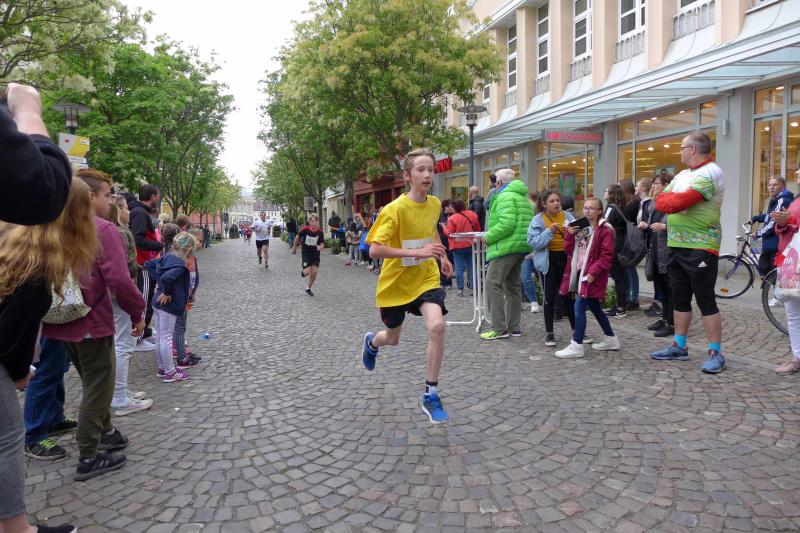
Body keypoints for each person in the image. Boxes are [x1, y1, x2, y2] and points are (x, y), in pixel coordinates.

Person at [1, 181, 94, 533]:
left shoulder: (15, 246)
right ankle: (17, 528)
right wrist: (20, 372)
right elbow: (10, 338)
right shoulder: (37, 271)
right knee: (7, 441)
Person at [44, 169, 145, 481]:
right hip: (92, 321)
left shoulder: (53, 228)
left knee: (93, 381)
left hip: (62, 321)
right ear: (89, 197)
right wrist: (138, 312)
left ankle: (107, 432)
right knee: (98, 386)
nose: (110, 200)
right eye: (106, 195)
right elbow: (119, 280)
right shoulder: (102, 229)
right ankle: (89, 454)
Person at [359, 148, 453, 424]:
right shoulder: (394, 210)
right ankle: (372, 342)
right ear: (407, 176)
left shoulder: (434, 204)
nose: (427, 175)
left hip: (425, 278)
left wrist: (442, 256)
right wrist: (417, 252)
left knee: (437, 326)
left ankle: (430, 394)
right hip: (396, 283)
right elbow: (374, 250)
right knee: (392, 339)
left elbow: (431, 231)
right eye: (420, 169)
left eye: (430, 170)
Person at [650, 131, 726, 374]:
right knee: (680, 298)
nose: (680, 152)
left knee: (705, 299)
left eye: (682, 147)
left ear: (692, 149)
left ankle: (715, 352)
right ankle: (679, 345)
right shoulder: (683, 175)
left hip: (701, 246)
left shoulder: (712, 172)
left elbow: (678, 203)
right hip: (676, 244)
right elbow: (660, 200)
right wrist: (670, 200)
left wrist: (672, 200)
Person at [554, 197, 620, 358]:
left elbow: (606, 256)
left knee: (579, 306)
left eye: (591, 208)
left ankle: (576, 345)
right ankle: (611, 338)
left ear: (599, 211)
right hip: (580, 271)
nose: (587, 210)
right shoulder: (580, 225)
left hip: (592, 275)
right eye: (585, 208)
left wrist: (593, 272)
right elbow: (569, 250)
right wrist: (569, 235)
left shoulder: (605, 229)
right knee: (594, 306)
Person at [107, 195, 153, 416]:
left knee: (119, 344)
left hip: (114, 295)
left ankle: (120, 392)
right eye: (125, 208)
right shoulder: (120, 233)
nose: (129, 212)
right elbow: (123, 270)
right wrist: (134, 303)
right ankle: (119, 398)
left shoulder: (112, 231)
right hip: (120, 296)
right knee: (123, 345)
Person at [479, 168, 534, 340]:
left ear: (499, 182)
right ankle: (513, 327)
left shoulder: (505, 196)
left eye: (494, 182)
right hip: (520, 246)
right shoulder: (522, 197)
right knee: (512, 287)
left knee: (492, 284)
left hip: (506, 246)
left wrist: (488, 237)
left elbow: (507, 224)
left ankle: (499, 328)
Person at [145, 231, 197, 382]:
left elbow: (149, 265)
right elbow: (167, 277)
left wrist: (159, 284)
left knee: (161, 337)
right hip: (168, 305)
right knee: (166, 337)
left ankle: (163, 367)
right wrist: (166, 290)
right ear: (188, 249)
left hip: (158, 303)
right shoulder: (180, 263)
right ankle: (170, 371)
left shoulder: (167, 256)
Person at [528, 190, 576, 346]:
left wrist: (575, 232)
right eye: (552, 201)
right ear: (544, 204)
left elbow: (583, 235)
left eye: (557, 200)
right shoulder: (538, 220)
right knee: (549, 297)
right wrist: (549, 232)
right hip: (548, 261)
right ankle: (549, 333)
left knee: (569, 296)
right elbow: (533, 242)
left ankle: (577, 330)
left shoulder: (568, 217)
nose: (556, 203)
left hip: (566, 259)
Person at [770, 165, 800, 374]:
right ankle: (797, 357)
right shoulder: (796, 200)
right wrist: (782, 222)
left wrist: (790, 220)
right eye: (796, 174)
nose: (797, 178)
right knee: (793, 311)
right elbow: (782, 230)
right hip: (791, 260)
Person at [639, 174, 674, 338]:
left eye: (657, 183)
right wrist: (646, 226)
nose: (653, 186)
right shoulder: (656, 202)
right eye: (653, 183)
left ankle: (671, 323)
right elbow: (651, 222)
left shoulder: (673, 201)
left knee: (669, 288)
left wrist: (665, 226)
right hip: (655, 249)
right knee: (661, 287)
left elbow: (681, 224)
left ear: (666, 185)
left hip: (667, 251)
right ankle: (665, 318)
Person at [128, 183, 163, 346]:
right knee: (144, 301)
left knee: (146, 300)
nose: (158, 198)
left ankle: (143, 332)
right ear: (152, 196)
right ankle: (138, 338)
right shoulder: (140, 213)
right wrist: (159, 245)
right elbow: (139, 239)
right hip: (143, 265)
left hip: (146, 263)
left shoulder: (140, 212)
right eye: (158, 195)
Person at [751, 175, 794, 276]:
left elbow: (772, 223)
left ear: (783, 186)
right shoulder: (775, 200)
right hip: (770, 244)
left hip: (775, 245)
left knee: (772, 275)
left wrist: (758, 233)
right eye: (769, 185)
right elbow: (769, 216)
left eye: (775, 185)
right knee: (766, 273)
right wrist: (755, 218)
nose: (771, 187)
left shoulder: (783, 200)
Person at [603, 184, 630, 318]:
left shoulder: (611, 207)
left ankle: (620, 307)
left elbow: (605, 224)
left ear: (611, 194)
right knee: (621, 275)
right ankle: (621, 304)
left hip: (614, 243)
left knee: (617, 276)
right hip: (622, 243)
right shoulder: (623, 207)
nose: (604, 192)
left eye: (606, 191)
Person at [444, 199, 480, 297]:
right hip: (470, 244)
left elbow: (449, 233)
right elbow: (477, 229)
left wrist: (444, 228)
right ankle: (473, 288)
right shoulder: (472, 214)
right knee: (471, 267)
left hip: (457, 245)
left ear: (455, 207)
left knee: (459, 267)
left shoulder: (452, 218)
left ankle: (460, 289)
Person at [292, 214, 325, 296]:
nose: (314, 223)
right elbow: (297, 238)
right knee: (307, 272)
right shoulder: (305, 229)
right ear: (309, 222)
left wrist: (319, 247)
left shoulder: (320, 232)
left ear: (317, 222)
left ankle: (308, 288)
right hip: (306, 254)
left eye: (316, 221)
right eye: (312, 221)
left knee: (314, 271)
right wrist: (294, 248)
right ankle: (303, 273)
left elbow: (322, 245)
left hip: (315, 254)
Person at [621, 180, 641, 311]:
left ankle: (633, 298)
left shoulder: (632, 204)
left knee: (629, 268)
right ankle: (630, 297)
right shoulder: (629, 202)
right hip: (628, 238)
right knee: (627, 268)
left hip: (630, 239)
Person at [521, 191, 542, 313]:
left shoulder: (532, 209)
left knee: (525, 276)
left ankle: (533, 301)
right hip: (519, 247)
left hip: (529, 248)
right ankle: (522, 301)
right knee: (520, 277)